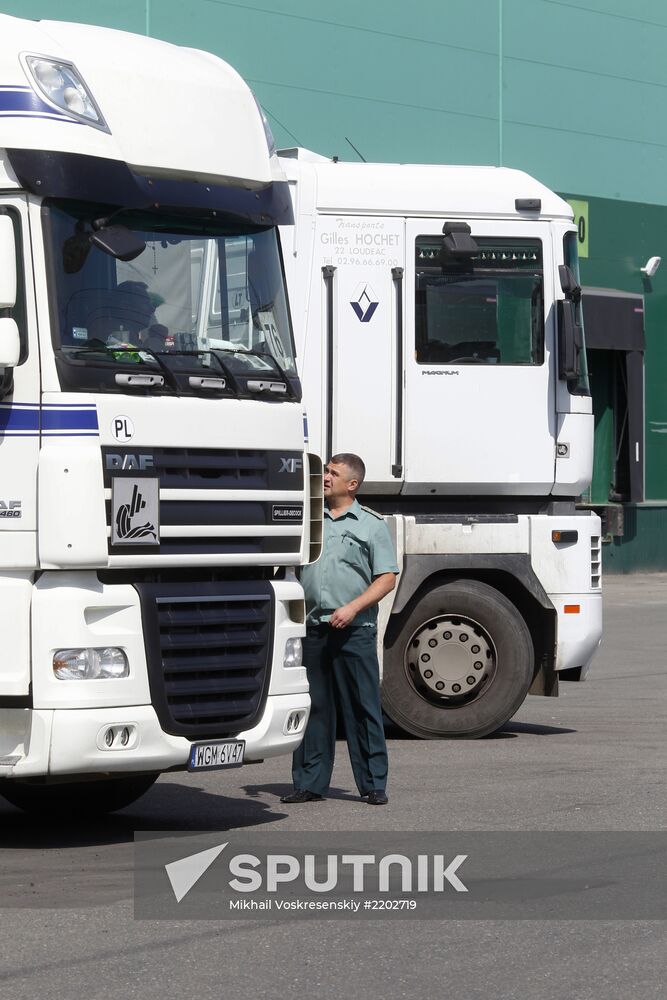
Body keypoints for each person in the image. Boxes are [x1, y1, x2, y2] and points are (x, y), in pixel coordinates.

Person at [281, 453, 399, 806]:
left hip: (354, 629)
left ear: (353, 484)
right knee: (314, 707)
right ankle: (310, 783)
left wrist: (352, 608)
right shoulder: (310, 520)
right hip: (314, 628)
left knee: (362, 708)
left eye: (333, 473)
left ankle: (373, 783)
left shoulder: (370, 524)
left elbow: (387, 577)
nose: (325, 477)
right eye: (325, 471)